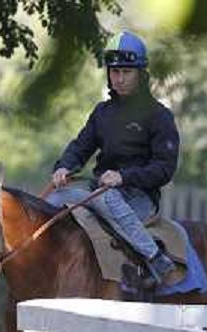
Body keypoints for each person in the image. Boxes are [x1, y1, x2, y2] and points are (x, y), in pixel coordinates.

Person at [47, 30, 181, 287]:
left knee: (105, 197)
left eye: (126, 72)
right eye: (114, 71)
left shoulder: (159, 116)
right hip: (100, 190)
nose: (118, 78)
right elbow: (80, 147)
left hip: (139, 198)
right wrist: (64, 166)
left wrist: (123, 177)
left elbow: (165, 169)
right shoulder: (102, 112)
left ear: (141, 74)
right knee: (55, 199)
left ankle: (156, 259)